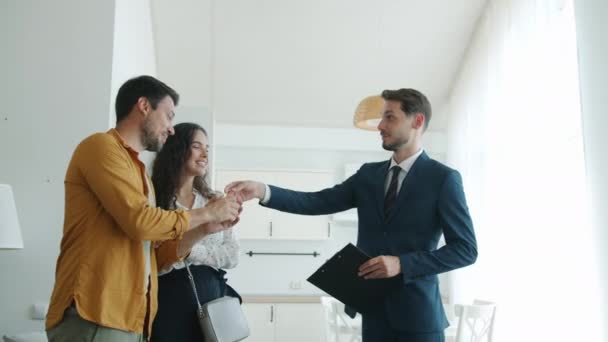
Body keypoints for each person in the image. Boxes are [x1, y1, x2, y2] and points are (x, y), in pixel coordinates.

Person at [226, 88, 478, 342]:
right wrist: (263, 190)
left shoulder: (443, 179)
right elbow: (316, 201)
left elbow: (465, 249)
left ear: (417, 121)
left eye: (390, 117)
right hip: (373, 316)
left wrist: (402, 264)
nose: (380, 125)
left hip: (419, 320)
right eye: (382, 117)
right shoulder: (368, 175)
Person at [46, 76, 241, 342]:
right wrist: (206, 214)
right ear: (144, 106)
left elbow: (157, 254)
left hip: (131, 319)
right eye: (169, 116)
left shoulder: (141, 177)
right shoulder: (101, 147)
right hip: (96, 313)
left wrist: (204, 229)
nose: (171, 129)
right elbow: (140, 223)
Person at [150, 122, 242, 341]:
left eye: (207, 149)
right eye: (197, 146)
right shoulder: (155, 201)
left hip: (212, 299)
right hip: (169, 302)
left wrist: (188, 251)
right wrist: (186, 248)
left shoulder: (215, 200)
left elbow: (232, 255)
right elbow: (154, 260)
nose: (204, 155)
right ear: (178, 150)